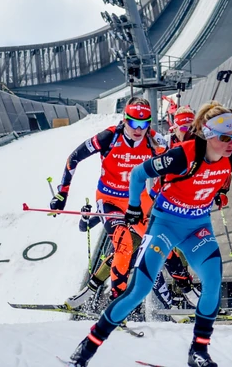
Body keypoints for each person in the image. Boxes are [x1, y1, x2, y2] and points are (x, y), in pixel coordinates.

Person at [63, 102, 232, 367]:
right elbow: (137, 174)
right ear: (208, 135)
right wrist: (134, 208)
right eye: (225, 137)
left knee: (213, 281)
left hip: (198, 226)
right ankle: (88, 347)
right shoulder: (182, 155)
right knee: (139, 290)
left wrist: (219, 192)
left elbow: (221, 174)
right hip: (165, 225)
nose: (231, 143)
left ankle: (199, 351)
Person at [54, 97, 175, 309]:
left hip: (138, 201)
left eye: (144, 123)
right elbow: (74, 157)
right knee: (125, 245)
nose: (138, 129)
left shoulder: (156, 141)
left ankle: (181, 299)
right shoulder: (108, 137)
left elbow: (174, 168)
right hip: (109, 199)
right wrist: (62, 193)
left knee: (162, 242)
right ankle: (116, 306)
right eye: (133, 123)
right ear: (124, 120)